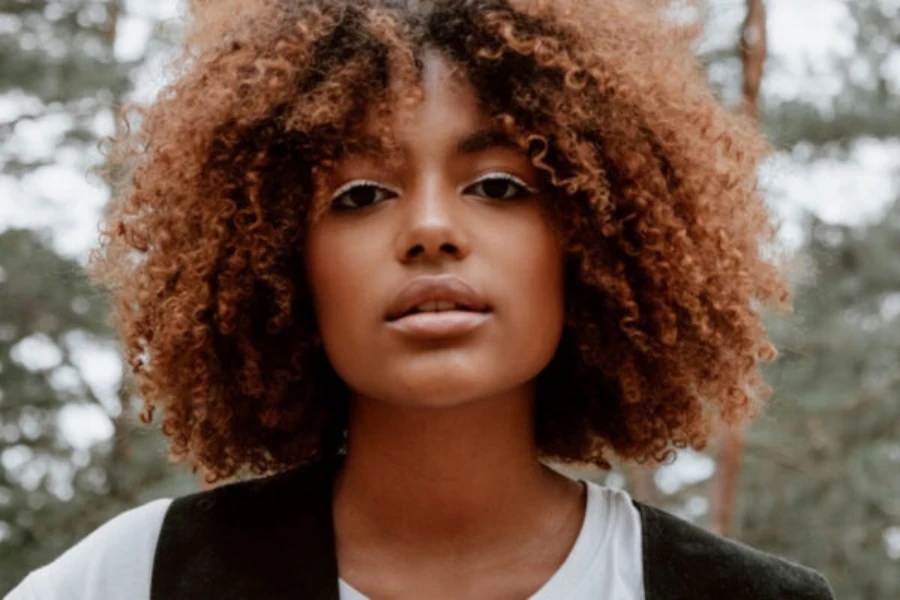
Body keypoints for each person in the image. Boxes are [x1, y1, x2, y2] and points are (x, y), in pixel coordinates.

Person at [7, 0, 836, 598]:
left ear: (592, 236)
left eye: (501, 185)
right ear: (278, 260)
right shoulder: (136, 579)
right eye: (361, 195)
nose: (432, 229)